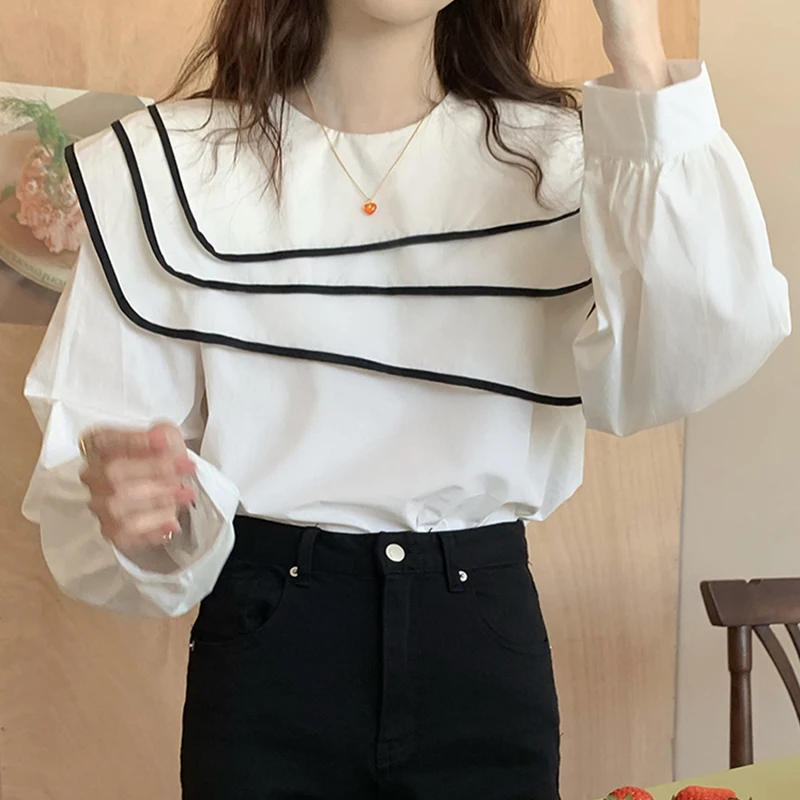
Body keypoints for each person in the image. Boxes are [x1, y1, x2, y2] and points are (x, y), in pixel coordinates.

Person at [22, 0, 790, 798]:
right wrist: (142, 508)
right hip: (269, 646)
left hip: (480, 641)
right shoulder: (165, 169)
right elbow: (107, 471)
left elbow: (699, 344)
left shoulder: (570, 161)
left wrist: (634, 37)